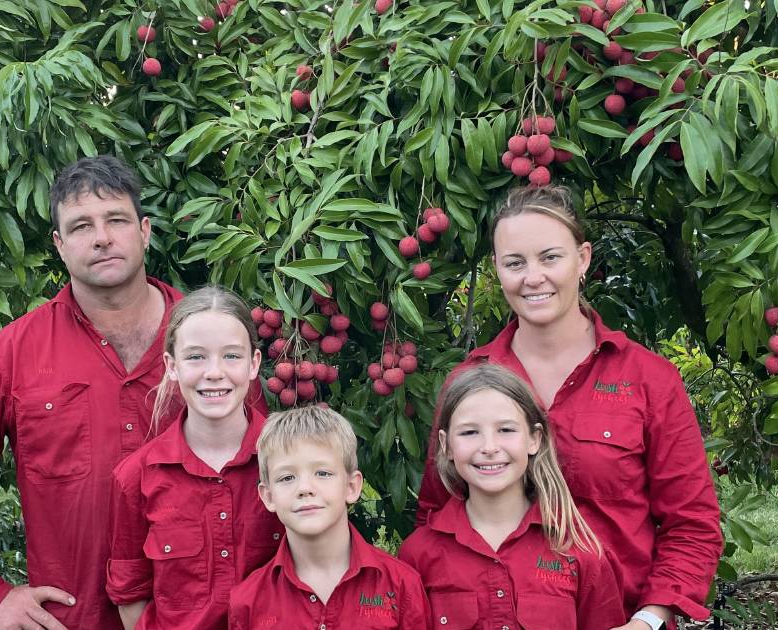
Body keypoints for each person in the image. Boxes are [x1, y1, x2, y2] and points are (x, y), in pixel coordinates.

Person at [416, 186, 723, 630]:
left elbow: (692, 523)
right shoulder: (469, 384)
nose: (533, 277)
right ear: (497, 270)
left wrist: (649, 620)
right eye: (515, 263)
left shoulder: (647, 380)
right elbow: (437, 515)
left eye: (550, 257)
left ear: (582, 259)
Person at [0, 155, 191, 630]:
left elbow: (268, 470)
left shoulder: (212, 342)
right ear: (60, 245)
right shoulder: (14, 355)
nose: (101, 237)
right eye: (81, 226)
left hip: (205, 617)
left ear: (144, 231)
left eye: (116, 220)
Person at [107, 286, 282, 630]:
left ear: (253, 364)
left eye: (231, 356)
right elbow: (130, 595)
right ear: (172, 366)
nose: (214, 372)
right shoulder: (136, 477)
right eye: (196, 357)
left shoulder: (289, 460)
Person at [399, 364, 624, 630]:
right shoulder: (419, 554)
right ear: (446, 446)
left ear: (534, 439)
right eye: (470, 432)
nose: (489, 448)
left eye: (505, 430)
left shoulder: (577, 549)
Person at [228, 405, 430, 630]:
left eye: (322, 473)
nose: (305, 488)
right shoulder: (247, 602)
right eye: (287, 477)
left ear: (352, 487)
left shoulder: (401, 586)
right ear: (268, 496)